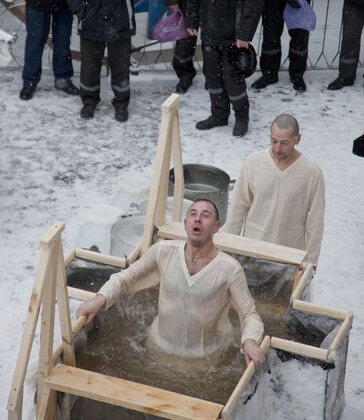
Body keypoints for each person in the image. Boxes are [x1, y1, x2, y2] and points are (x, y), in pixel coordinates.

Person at [77, 198, 265, 368]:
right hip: (157, 349)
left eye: (205, 215)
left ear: (216, 227)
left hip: (206, 360)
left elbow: (249, 314)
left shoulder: (229, 269)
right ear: (185, 223)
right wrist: (99, 300)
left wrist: (249, 340)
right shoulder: (163, 252)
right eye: (193, 214)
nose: (197, 219)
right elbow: (125, 279)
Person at [186, 0, 265, 137]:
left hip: (233, 35)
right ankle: (219, 114)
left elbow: (254, 1)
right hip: (210, 31)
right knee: (212, 75)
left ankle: (241, 116)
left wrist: (244, 34)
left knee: (233, 77)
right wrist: (192, 21)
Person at [224, 114, 325, 265]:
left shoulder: (311, 173)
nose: (278, 148)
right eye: (274, 141)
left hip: (289, 256)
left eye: (284, 143)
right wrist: (228, 249)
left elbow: (315, 221)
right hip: (252, 250)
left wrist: (311, 263)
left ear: (297, 139)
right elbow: (238, 207)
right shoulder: (253, 163)